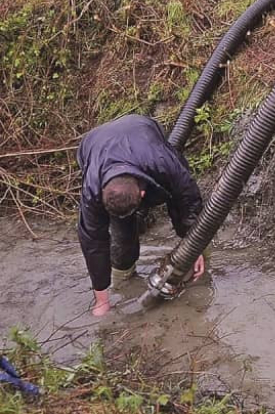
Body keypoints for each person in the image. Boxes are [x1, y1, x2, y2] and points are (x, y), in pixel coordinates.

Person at [77, 114, 205, 316]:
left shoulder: (163, 162)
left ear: (143, 194)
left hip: (142, 129)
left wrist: (195, 247)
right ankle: (124, 273)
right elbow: (93, 241)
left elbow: (188, 200)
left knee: (175, 198)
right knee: (123, 241)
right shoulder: (91, 189)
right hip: (94, 143)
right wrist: (101, 301)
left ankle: (142, 217)